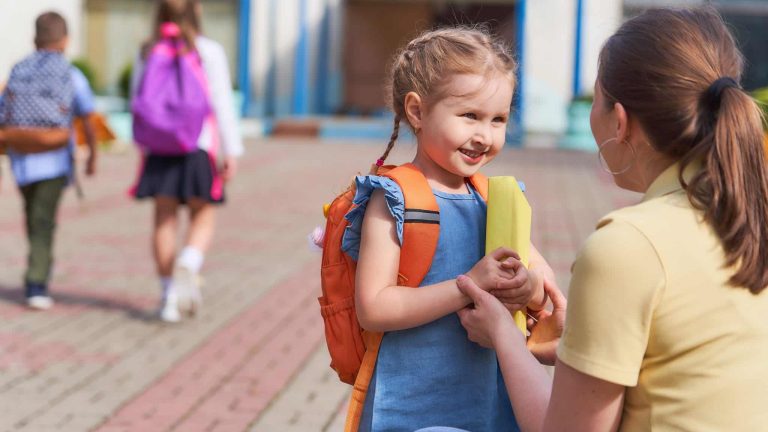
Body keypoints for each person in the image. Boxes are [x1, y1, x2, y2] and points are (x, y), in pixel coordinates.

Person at [454, 7, 768, 432]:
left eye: (595, 99)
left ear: (619, 121)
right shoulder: (749, 213)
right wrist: (576, 349)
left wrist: (503, 335)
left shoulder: (630, 245)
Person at [341, 27, 554, 431]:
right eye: (470, 116)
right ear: (417, 112)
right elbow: (374, 307)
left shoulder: (497, 198)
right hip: (411, 407)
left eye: (498, 119)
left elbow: (540, 278)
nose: (484, 135)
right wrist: (467, 285)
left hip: (489, 403)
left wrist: (528, 286)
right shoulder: (394, 198)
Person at [130, 0, 243, 323]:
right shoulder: (208, 51)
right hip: (198, 147)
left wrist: (142, 145)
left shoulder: (148, 50)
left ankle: (168, 296)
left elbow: (136, 102)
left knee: (164, 220)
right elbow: (221, 102)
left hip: (159, 149)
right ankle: (190, 262)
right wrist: (231, 151)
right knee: (203, 214)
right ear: (196, 12)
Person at [0, 11, 97, 310]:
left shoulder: (19, 68)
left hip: (21, 159)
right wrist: (93, 153)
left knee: (34, 216)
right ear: (65, 40)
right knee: (43, 221)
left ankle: (38, 268)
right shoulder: (70, 73)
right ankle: (36, 282)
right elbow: (87, 115)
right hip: (53, 160)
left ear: (35, 39)